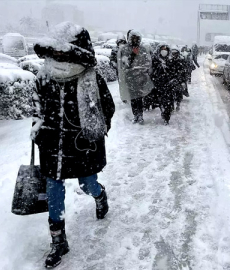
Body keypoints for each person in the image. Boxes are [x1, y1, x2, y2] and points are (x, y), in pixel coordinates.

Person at [31, 22, 115, 268]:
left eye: (63, 52)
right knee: (54, 189)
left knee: (87, 183)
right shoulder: (43, 76)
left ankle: (100, 195)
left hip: (82, 146)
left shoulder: (91, 78)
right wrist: (38, 130)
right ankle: (58, 240)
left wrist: (93, 131)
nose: (58, 56)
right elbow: (37, 109)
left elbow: (107, 109)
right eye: (55, 52)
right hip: (53, 145)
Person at [118, 30, 153, 124]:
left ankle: (140, 116)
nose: (135, 40)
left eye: (137, 38)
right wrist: (133, 55)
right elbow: (124, 64)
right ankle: (135, 115)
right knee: (133, 98)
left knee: (139, 98)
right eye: (133, 38)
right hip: (130, 78)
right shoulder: (125, 49)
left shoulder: (143, 49)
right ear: (130, 39)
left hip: (141, 77)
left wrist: (141, 70)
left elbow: (147, 62)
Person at [151, 43, 179, 125]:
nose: (164, 51)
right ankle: (163, 111)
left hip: (169, 86)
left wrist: (173, 80)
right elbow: (152, 72)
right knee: (160, 101)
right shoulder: (155, 60)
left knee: (168, 103)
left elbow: (175, 72)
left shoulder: (171, 60)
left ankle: (166, 117)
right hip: (158, 85)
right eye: (162, 49)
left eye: (165, 49)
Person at [168, 45, 188, 110]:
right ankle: (172, 105)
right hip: (171, 80)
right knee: (170, 94)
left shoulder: (181, 60)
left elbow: (184, 71)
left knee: (179, 93)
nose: (174, 55)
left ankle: (178, 103)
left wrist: (183, 80)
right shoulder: (169, 61)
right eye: (173, 53)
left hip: (179, 80)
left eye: (175, 53)